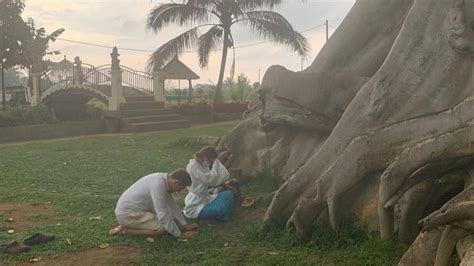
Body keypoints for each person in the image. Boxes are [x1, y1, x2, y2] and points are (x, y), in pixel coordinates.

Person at [109, 169, 198, 239]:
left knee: (172, 221)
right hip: (127, 215)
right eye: (180, 188)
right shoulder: (158, 185)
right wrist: (180, 235)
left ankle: (130, 225)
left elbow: (172, 206)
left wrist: (185, 225)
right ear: (176, 182)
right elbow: (162, 214)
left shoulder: (164, 180)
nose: (179, 191)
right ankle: (126, 230)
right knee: (163, 228)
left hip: (139, 210)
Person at [184, 146, 237, 221]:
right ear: (205, 157)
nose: (209, 164)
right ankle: (220, 212)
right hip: (196, 204)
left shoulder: (200, 165)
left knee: (228, 194)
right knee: (222, 208)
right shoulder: (194, 167)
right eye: (211, 161)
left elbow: (213, 178)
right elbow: (212, 180)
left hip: (206, 197)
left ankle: (219, 211)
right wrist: (217, 163)